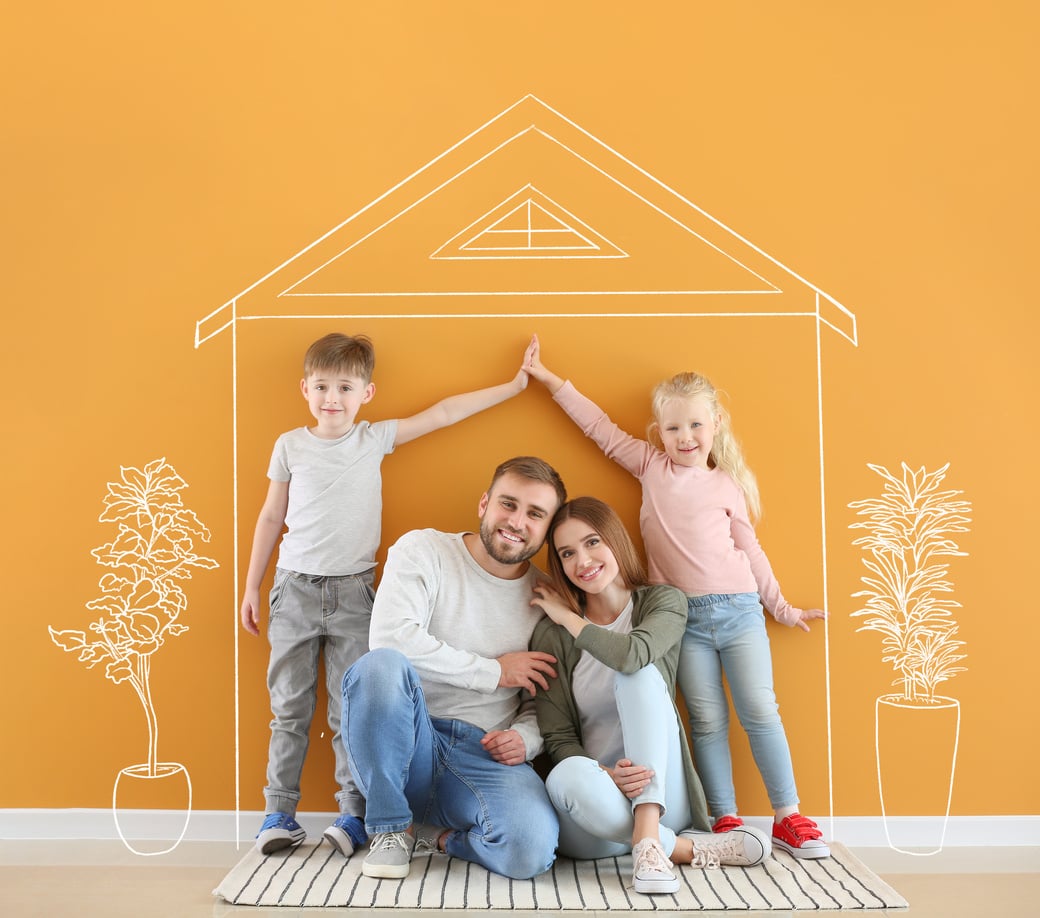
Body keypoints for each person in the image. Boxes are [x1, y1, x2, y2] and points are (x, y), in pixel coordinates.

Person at [525, 336, 831, 859]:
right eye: (672, 427)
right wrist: (553, 382)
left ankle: (788, 814)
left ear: (715, 427)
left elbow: (750, 549)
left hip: (738, 609)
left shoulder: (727, 485)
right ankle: (725, 817)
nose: (684, 437)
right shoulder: (650, 466)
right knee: (706, 719)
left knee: (760, 709)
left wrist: (779, 606)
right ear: (658, 433)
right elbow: (599, 428)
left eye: (695, 425)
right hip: (683, 616)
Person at [240, 333, 532, 856]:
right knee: (289, 709)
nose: (333, 397)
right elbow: (270, 516)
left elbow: (442, 413)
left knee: (350, 710)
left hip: (355, 592)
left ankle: (354, 815)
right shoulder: (290, 445)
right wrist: (252, 585)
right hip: (295, 589)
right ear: (304, 387)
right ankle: (277, 813)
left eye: (345, 387)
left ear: (366, 393)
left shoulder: (372, 439)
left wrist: (512, 387)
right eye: (322, 386)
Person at [340, 456, 568, 880]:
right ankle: (391, 828)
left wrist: (526, 738)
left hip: (482, 754)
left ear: (548, 528)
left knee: (529, 850)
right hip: (409, 737)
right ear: (485, 503)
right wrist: (493, 672)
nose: (517, 521)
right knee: (380, 667)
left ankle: (432, 836)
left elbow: (543, 693)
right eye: (508, 504)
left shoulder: (546, 599)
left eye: (535, 514)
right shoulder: (423, 550)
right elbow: (390, 639)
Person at [529, 497, 770, 895]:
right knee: (564, 775)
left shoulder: (662, 602)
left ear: (615, 540)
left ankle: (647, 832)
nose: (582, 561)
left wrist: (568, 617)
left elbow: (630, 655)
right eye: (567, 553)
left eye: (592, 543)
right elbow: (557, 737)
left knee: (638, 675)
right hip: (594, 810)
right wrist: (604, 774)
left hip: (663, 792)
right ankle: (678, 848)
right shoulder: (551, 637)